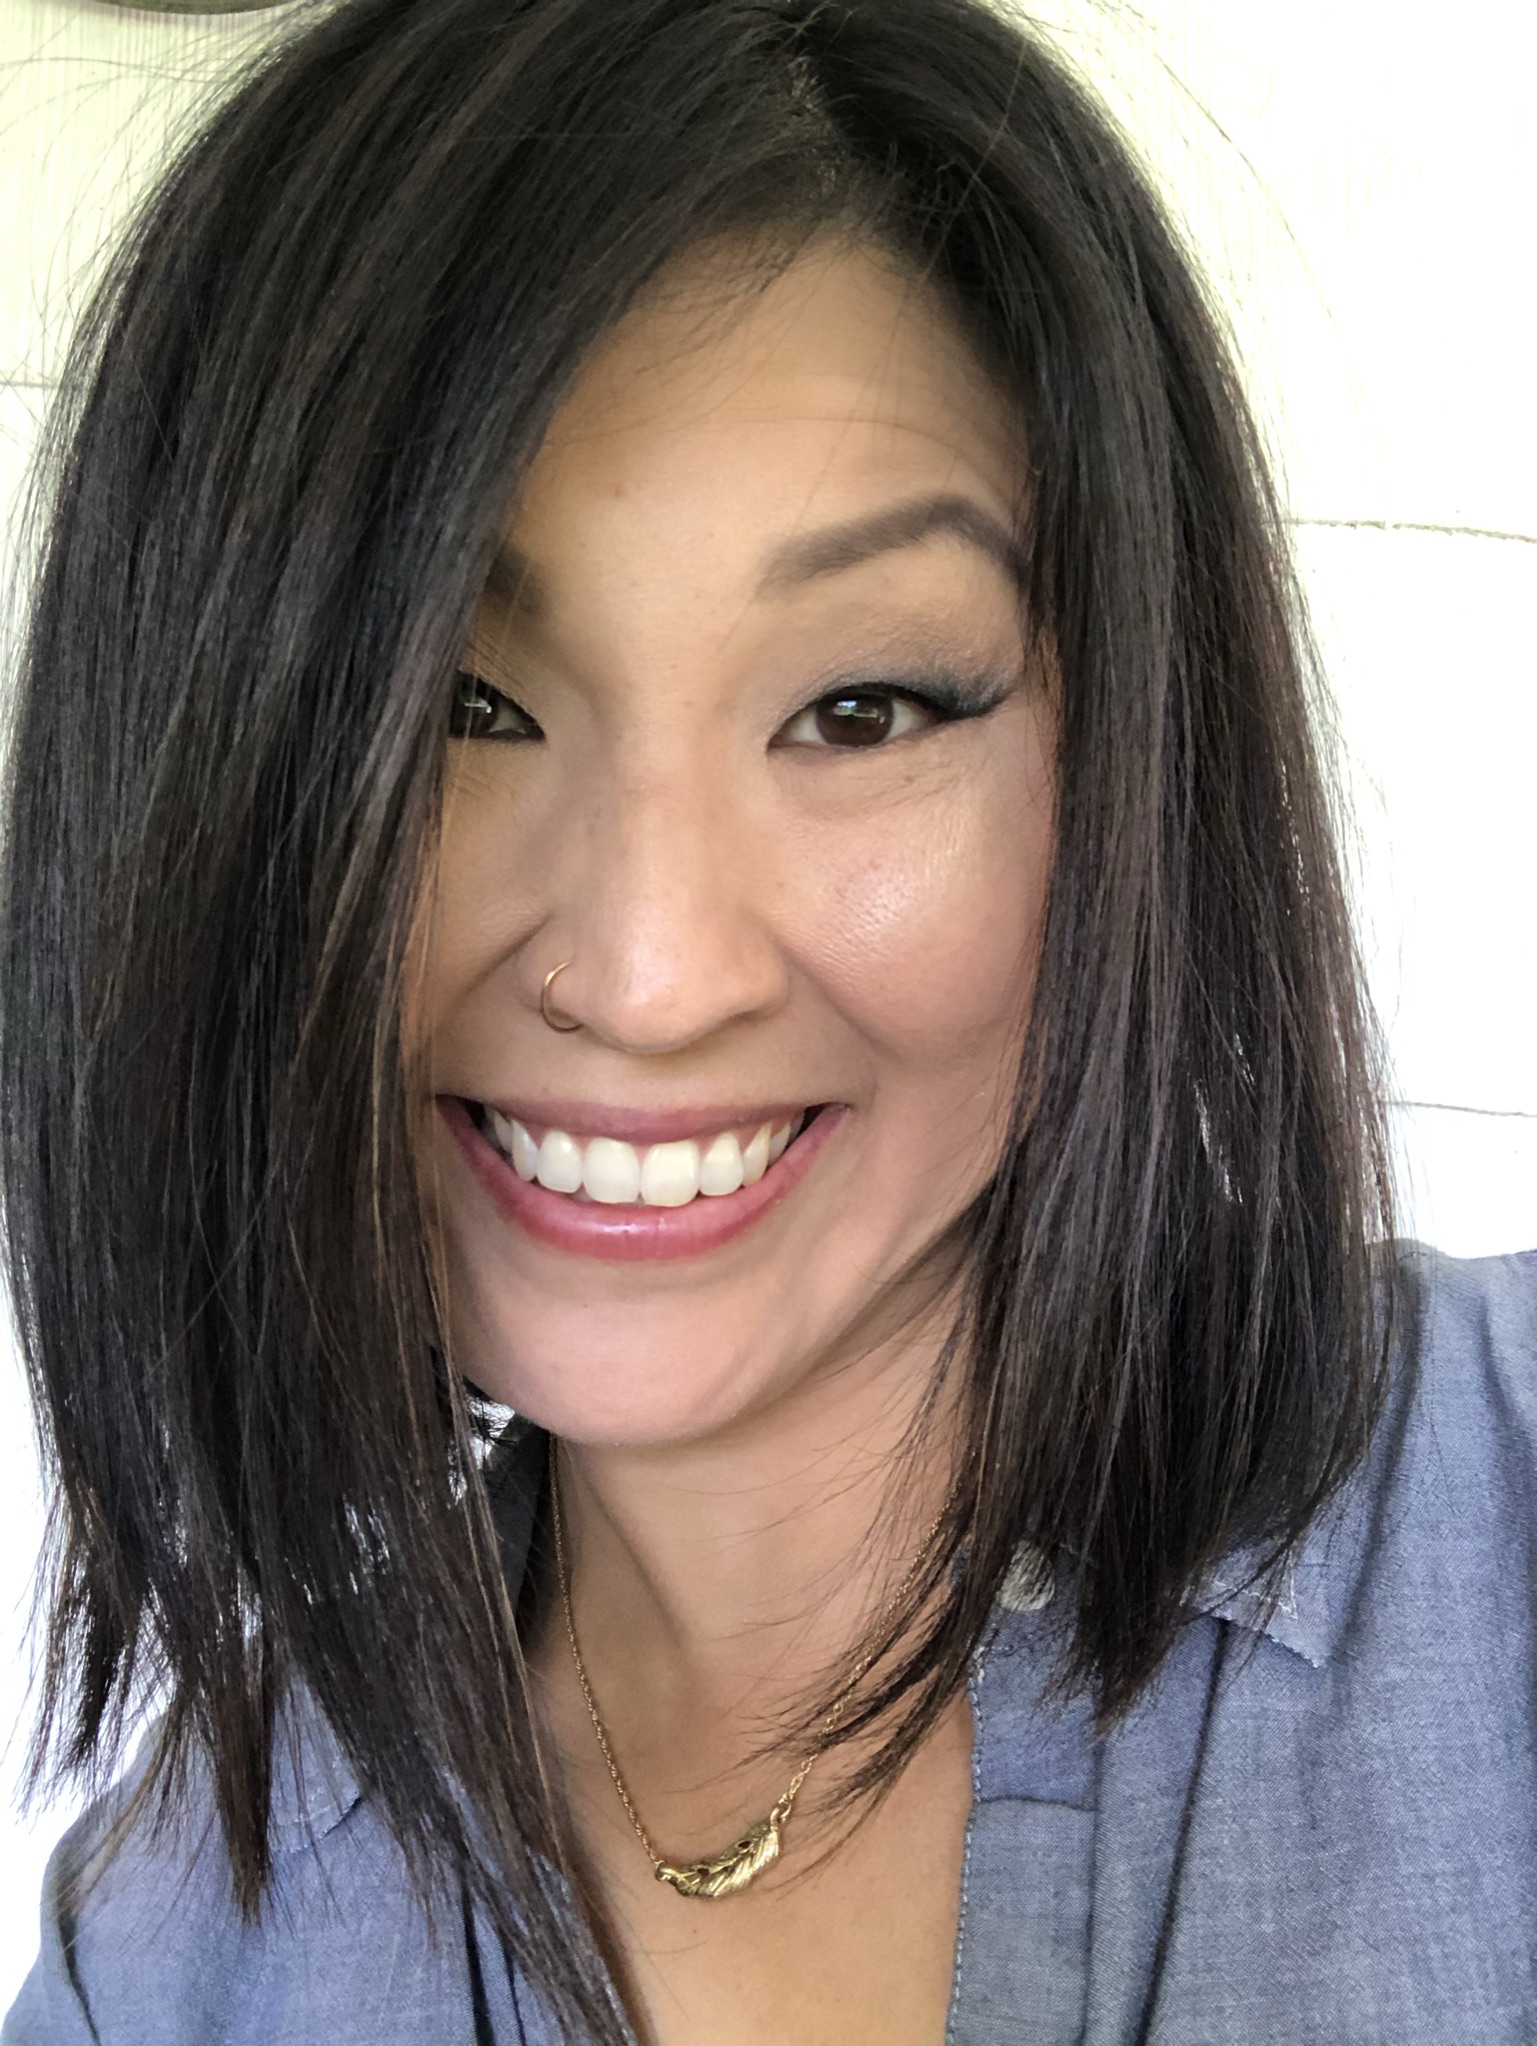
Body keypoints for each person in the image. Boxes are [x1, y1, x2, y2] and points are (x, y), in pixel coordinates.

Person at [2, 0, 1533, 2040]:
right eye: (461, 705)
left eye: (862, 708)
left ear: (1127, 768)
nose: (649, 975)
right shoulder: (178, 1954)